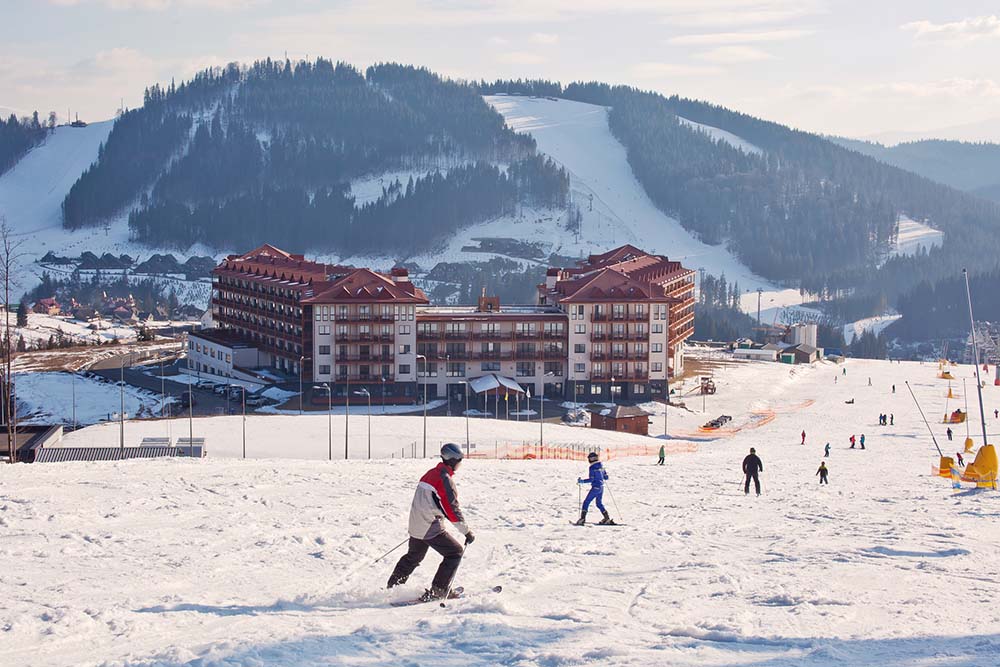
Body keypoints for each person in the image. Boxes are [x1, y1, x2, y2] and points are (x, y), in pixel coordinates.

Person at [387, 443, 474, 602]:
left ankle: (392, 588)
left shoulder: (431, 473)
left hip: (417, 523)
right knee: (455, 552)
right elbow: (451, 509)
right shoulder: (444, 480)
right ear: (453, 460)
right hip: (429, 525)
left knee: (413, 556)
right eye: (460, 460)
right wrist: (466, 532)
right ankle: (439, 590)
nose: (461, 463)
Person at [575, 452, 614, 525]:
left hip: (595, 487)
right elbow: (606, 477)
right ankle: (606, 518)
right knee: (599, 503)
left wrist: (582, 481)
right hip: (601, 488)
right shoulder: (601, 466)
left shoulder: (592, 467)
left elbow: (592, 479)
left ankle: (582, 519)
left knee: (586, 502)